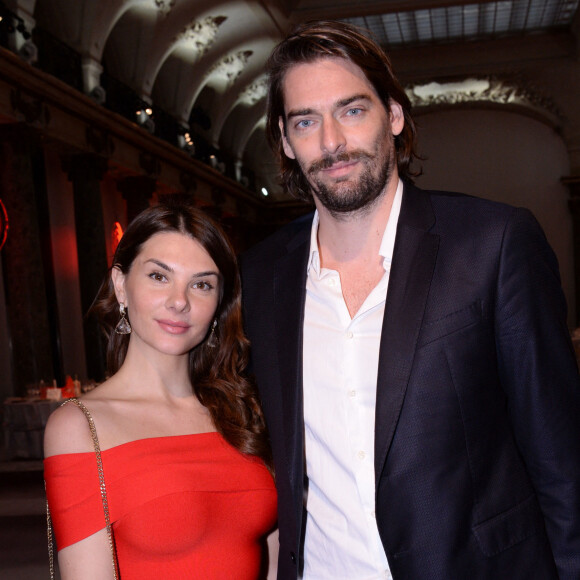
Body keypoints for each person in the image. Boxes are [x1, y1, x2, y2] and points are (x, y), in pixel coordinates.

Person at [240, 20, 580, 580]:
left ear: (393, 116)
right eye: (306, 121)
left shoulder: (493, 244)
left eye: (351, 110)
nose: (331, 142)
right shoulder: (261, 276)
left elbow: (562, 460)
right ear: (284, 139)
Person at [44, 198, 278, 580]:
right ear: (121, 285)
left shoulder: (242, 408)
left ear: (220, 304)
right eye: (159, 276)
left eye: (201, 284)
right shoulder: (79, 427)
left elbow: (276, 557)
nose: (179, 301)